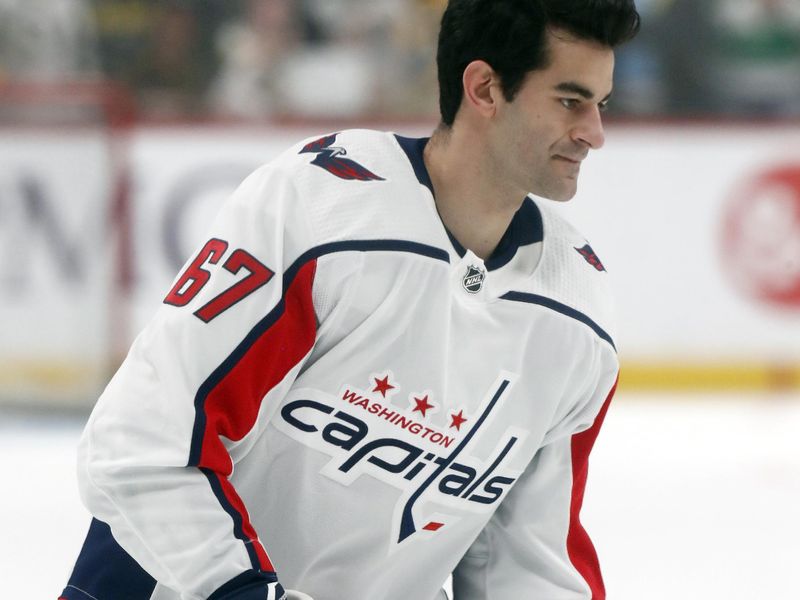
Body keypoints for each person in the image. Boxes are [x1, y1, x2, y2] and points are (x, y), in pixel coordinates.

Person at [59, 1, 640, 599]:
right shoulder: (324, 210)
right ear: (485, 88)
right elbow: (141, 443)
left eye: (601, 104)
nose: (594, 133)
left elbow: (527, 565)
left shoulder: (576, 313)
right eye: (570, 101)